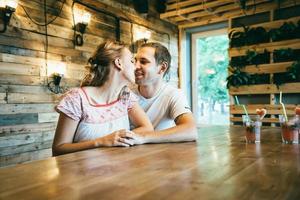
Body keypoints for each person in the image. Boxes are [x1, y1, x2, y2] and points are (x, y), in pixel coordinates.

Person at [52, 41, 153, 156]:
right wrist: (101, 142)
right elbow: (58, 149)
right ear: (119, 63)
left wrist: (121, 137)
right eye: (131, 61)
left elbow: (147, 128)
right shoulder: (77, 99)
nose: (136, 66)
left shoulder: (126, 96)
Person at [131, 42, 197, 143]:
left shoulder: (173, 94)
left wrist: (144, 137)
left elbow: (191, 130)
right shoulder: (126, 93)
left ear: (162, 68)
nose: (135, 67)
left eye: (143, 62)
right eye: (134, 61)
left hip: (161, 155)